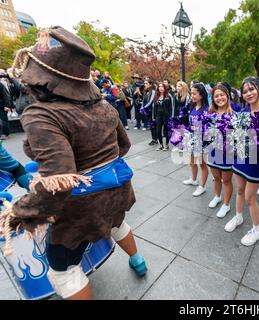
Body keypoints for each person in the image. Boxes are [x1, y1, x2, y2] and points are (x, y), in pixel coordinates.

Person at [8, 27, 148, 300]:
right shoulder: (104, 106)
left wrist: (20, 213)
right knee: (117, 224)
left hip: (80, 208)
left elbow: (58, 183)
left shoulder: (41, 114)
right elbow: (124, 146)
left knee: (63, 270)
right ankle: (139, 260)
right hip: (117, 190)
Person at [226, 77, 259, 246]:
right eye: (245, 91)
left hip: (256, 161)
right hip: (240, 158)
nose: (248, 93)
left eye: (251, 89)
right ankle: (238, 216)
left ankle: (257, 229)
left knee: (250, 197)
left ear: (258, 89)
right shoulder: (242, 113)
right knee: (240, 190)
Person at [207, 84, 235, 219]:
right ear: (213, 98)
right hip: (213, 151)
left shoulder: (233, 114)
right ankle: (217, 196)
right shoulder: (210, 114)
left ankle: (226, 204)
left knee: (226, 180)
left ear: (227, 96)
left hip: (227, 153)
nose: (219, 98)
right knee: (216, 177)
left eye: (222, 95)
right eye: (216, 96)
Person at [183, 83, 210, 197]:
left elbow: (208, 128)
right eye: (191, 93)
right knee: (191, 161)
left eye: (194, 94)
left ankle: (202, 186)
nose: (192, 96)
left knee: (202, 164)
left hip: (201, 141)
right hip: (191, 139)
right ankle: (193, 179)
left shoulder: (206, 110)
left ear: (201, 95)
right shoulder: (192, 107)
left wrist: (197, 128)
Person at [153, 82, 172, 151]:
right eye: (159, 86)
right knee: (158, 131)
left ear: (164, 88)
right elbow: (154, 108)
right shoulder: (156, 96)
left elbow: (171, 107)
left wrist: (171, 117)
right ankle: (161, 144)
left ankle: (166, 145)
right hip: (158, 115)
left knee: (166, 130)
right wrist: (154, 117)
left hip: (166, 116)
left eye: (162, 87)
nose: (161, 88)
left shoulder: (168, 96)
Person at [0, 73, 12, 140]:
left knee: (4, 120)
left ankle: (5, 134)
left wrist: (7, 105)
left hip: (2, 106)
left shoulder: (0, 85)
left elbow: (6, 95)